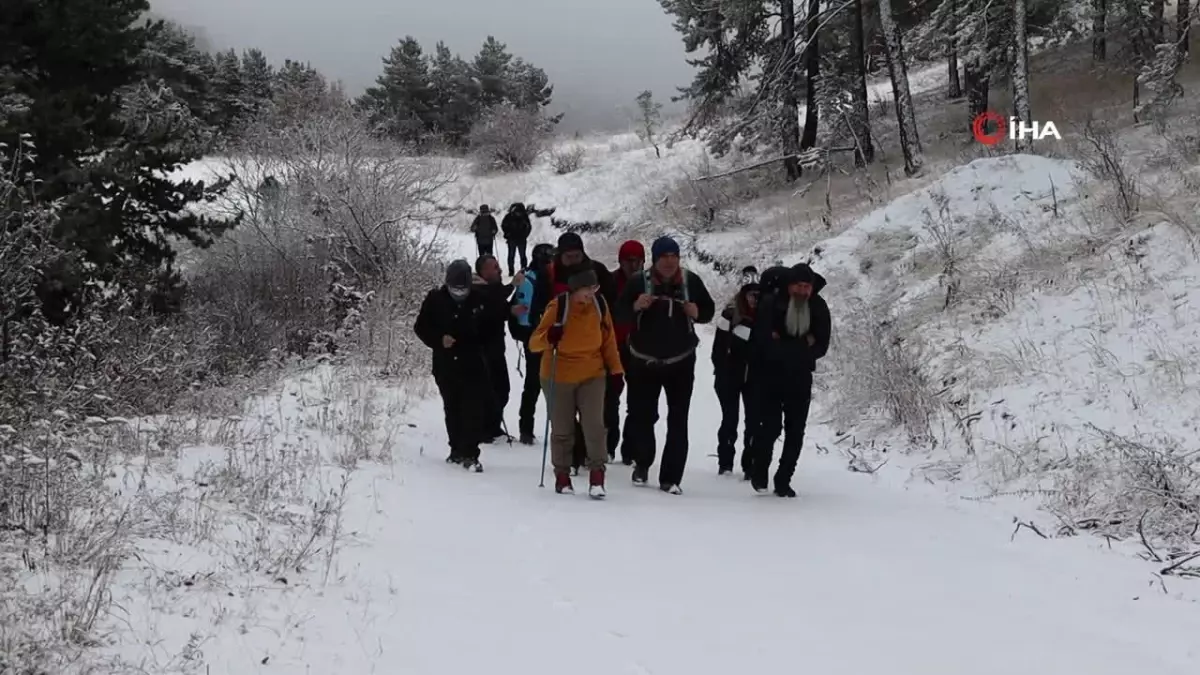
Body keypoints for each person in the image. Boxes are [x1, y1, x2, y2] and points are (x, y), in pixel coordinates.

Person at [616, 236, 715, 494]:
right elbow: (619, 312)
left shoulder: (690, 281)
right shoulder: (640, 281)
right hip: (643, 362)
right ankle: (643, 462)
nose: (670, 262)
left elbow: (708, 310)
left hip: (680, 362)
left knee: (678, 419)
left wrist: (697, 313)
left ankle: (671, 478)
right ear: (655, 259)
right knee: (642, 416)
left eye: (674, 257)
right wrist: (636, 305)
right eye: (664, 257)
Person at [529, 266, 623, 497]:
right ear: (574, 290)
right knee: (562, 429)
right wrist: (549, 336)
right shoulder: (558, 307)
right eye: (586, 290)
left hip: (592, 373)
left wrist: (616, 371)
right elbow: (534, 343)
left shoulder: (600, 306)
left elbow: (609, 341)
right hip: (557, 375)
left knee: (595, 426)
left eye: (594, 288)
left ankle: (597, 477)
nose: (591, 294)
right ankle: (562, 476)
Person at [746, 263, 831, 497]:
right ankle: (760, 470)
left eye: (807, 287)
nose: (803, 291)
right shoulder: (772, 302)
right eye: (799, 286)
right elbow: (763, 340)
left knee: (796, 431)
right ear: (790, 285)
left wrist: (783, 342)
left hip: (801, 376)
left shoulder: (818, 307)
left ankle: (784, 479)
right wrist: (802, 344)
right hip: (770, 374)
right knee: (770, 426)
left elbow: (822, 344)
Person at [413, 259, 506, 471]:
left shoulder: (480, 300)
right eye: (454, 288)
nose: (459, 293)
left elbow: (493, 327)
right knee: (452, 407)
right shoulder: (435, 299)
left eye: (462, 289)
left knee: (473, 408)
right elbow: (421, 327)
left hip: (474, 363)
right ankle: (455, 449)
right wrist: (439, 340)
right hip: (445, 365)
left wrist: (484, 347)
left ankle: (470, 453)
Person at [712, 280, 760, 477]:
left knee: (754, 421)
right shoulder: (730, 314)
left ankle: (749, 464)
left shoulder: (766, 318)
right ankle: (725, 463)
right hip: (729, 375)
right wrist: (722, 369)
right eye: (751, 296)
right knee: (730, 419)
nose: (754, 300)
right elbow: (718, 346)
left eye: (758, 296)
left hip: (755, 377)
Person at [509, 243, 555, 444]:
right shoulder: (552, 279)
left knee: (533, 384)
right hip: (547, 337)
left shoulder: (527, 278)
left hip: (532, 336)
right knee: (556, 385)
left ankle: (526, 429)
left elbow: (515, 309)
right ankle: (564, 432)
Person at [473, 254, 522, 442]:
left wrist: (510, 310)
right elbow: (491, 306)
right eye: (494, 267)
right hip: (482, 349)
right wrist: (512, 287)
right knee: (492, 390)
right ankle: (485, 429)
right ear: (483, 271)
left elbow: (497, 305)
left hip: (494, 347)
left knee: (501, 389)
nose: (500, 270)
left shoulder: (491, 289)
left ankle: (491, 427)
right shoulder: (477, 288)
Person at [608, 240, 645, 464]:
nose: (632, 265)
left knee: (638, 400)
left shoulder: (649, 283)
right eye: (627, 261)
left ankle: (630, 449)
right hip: (613, 345)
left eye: (637, 261)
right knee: (610, 397)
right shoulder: (610, 282)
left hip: (641, 347)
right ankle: (608, 444)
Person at [501, 203, 533, 277]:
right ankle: (514, 270)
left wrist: (507, 233)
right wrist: (507, 233)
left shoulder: (512, 216)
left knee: (517, 255)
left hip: (518, 239)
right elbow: (504, 225)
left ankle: (520, 270)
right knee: (515, 255)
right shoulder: (520, 216)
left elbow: (528, 227)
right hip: (514, 239)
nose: (518, 213)